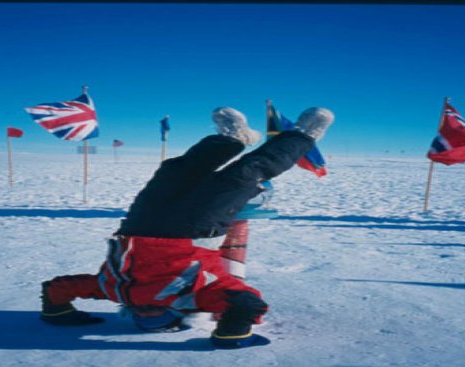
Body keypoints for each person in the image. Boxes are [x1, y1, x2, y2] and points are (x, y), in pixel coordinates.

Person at [40, 106, 334, 349]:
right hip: (193, 231)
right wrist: (231, 336)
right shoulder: (196, 298)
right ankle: (303, 135)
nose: (148, 311)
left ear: (129, 312)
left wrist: (58, 313)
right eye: (158, 318)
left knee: (174, 172)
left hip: (139, 226)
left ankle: (233, 138)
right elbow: (246, 304)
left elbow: (57, 288)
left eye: (143, 318)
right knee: (241, 175)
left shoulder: (113, 290)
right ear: (175, 315)